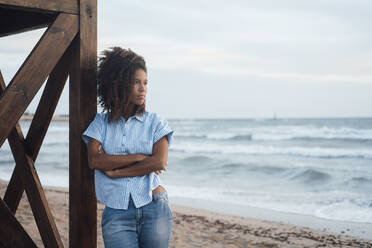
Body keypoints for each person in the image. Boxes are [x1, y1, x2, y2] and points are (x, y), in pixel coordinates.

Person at [82, 47, 173, 248]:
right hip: (117, 212)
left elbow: (159, 161)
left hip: (154, 206)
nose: (143, 89)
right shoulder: (101, 123)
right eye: (136, 82)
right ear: (119, 85)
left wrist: (116, 173)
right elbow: (95, 160)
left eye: (145, 83)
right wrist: (140, 157)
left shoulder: (155, 122)